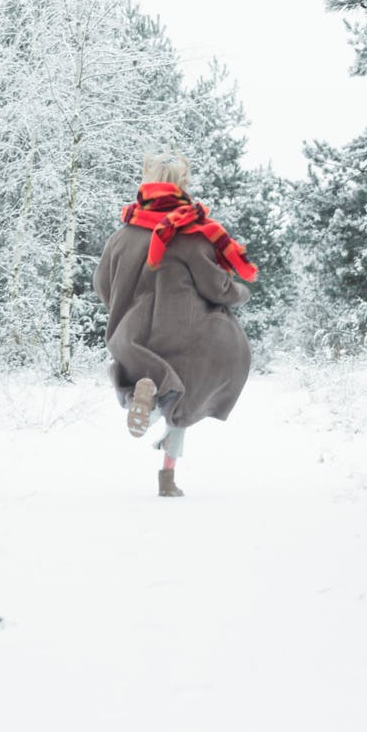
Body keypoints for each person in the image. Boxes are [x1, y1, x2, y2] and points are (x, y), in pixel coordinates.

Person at [93, 152, 257, 497]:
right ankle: (163, 460)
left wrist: (123, 311)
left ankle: (149, 407)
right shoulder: (191, 235)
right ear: (182, 185)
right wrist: (240, 292)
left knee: (164, 390)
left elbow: (101, 283)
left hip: (134, 337)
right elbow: (217, 287)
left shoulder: (122, 235)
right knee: (195, 390)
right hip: (186, 334)